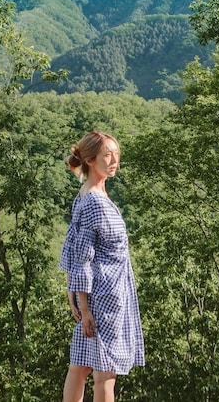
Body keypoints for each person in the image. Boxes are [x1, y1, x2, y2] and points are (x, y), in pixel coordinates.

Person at [59, 131, 144, 402]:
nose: (114, 160)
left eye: (116, 154)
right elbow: (82, 254)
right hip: (105, 297)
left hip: (100, 292)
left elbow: (73, 248)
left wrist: (72, 290)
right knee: (105, 373)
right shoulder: (95, 202)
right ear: (90, 160)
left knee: (81, 365)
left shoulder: (85, 195)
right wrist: (83, 307)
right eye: (107, 155)